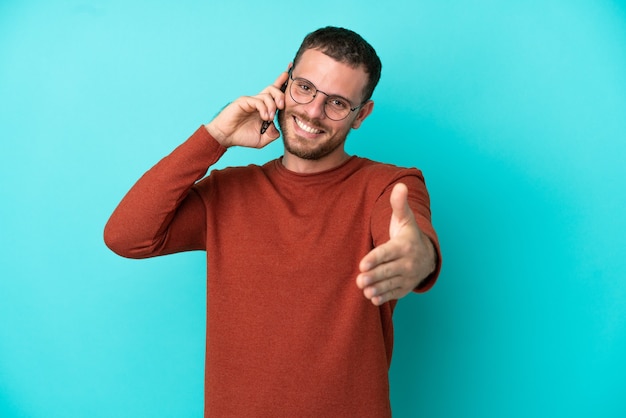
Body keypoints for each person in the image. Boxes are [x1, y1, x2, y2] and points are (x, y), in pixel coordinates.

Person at [104, 26, 442, 417]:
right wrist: (214, 136)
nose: (313, 111)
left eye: (336, 103)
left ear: (360, 115)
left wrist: (418, 258)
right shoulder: (227, 193)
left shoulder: (390, 185)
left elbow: (410, 239)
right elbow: (126, 236)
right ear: (285, 81)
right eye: (305, 88)